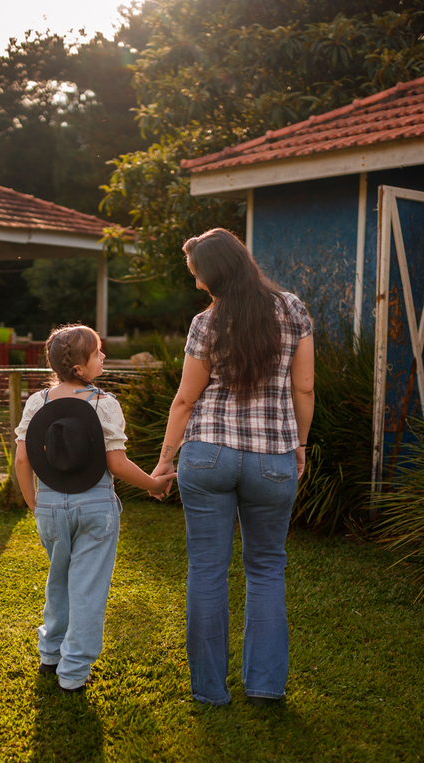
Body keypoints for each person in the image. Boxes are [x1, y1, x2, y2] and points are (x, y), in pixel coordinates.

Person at [150, 228, 315, 707]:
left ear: (212, 276)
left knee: (207, 570)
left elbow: (186, 398)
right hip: (273, 457)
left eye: (198, 276)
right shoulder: (292, 308)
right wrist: (299, 444)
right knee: (265, 568)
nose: (198, 285)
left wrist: (164, 459)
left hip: (208, 455)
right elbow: (303, 389)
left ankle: (208, 690)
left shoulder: (206, 323)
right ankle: (265, 686)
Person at [14, 324, 175, 694]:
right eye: (98, 352)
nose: (103, 356)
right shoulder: (104, 404)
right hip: (96, 505)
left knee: (59, 581)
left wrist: (33, 502)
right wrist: (154, 483)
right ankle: (72, 673)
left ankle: (51, 654)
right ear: (80, 369)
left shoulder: (38, 402)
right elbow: (116, 464)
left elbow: (23, 459)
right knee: (87, 588)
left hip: (50, 504)